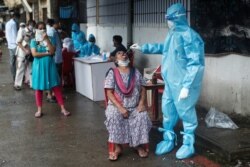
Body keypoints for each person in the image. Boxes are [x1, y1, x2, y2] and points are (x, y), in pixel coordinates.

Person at [131, 3, 205, 159]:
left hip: (184, 84)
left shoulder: (190, 36)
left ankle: (188, 144)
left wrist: (187, 86)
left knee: (186, 112)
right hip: (170, 83)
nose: (168, 22)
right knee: (168, 110)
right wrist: (144, 47)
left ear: (177, 19)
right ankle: (169, 139)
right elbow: (163, 47)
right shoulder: (173, 34)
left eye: (170, 19)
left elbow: (196, 64)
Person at [104, 49, 152, 161]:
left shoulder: (135, 72)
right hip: (117, 106)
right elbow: (109, 92)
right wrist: (121, 108)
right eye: (119, 54)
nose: (123, 54)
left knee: (142, 115)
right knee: (113, 116)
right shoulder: (112, 73)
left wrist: (141, 104)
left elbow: (143, 87)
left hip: (134, 106)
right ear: (116, 60)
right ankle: (118, 147)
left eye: (124, 53)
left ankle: (137, 145)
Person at [30, 22, 70, 118]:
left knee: (56, 86)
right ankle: (39, 110)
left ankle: (63, 108)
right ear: (36, 30)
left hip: (50, 66)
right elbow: (34, 54)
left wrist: (47, 40)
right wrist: (47, 53)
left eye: (44, 28)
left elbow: (52, 51)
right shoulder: (33, 41)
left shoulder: (50, 39)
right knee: (39, 89)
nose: (42, 30)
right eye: (40, 28)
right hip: (38, 67)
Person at [13, 22, 31, 90]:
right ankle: (17, 84)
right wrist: (25, 49)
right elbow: (18, 42)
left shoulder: (31, 31)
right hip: (22, 53)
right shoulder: (22, 31)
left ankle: (30, 82)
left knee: (29, 67)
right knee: (20, 68)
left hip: (28, 51)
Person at [5, 11, 18, 81]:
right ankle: (18, 76)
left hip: (10, 45)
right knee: (19, 61)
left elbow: (6, 34)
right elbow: (15, 34)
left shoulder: (7, 23)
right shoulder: (14, 23)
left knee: (12, 61)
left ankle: (14, 76)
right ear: (14, 16)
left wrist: (8, 42)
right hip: (15, 45)